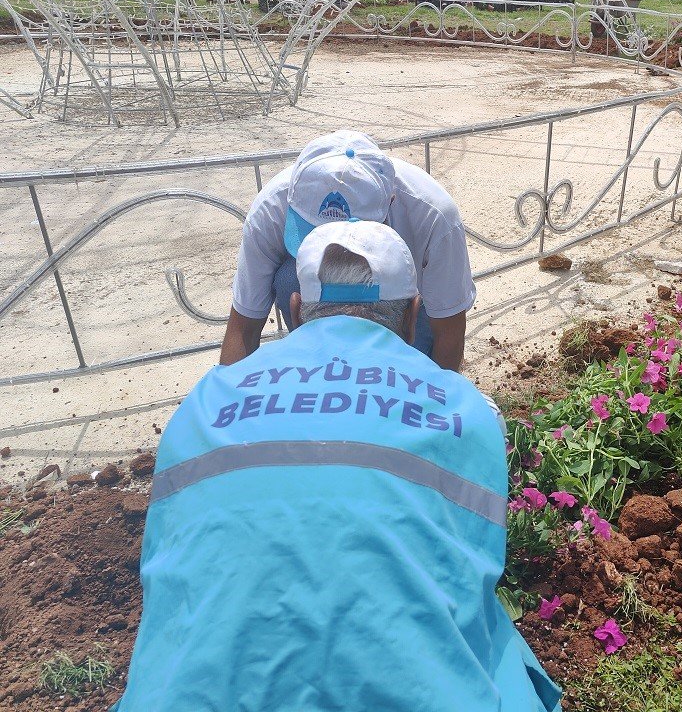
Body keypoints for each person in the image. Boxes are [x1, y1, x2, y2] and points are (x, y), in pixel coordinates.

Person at [113, 220, 563, 712]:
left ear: (295, 310)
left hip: (186, 697)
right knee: (497, 648)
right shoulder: (468, 412)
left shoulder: (204, 403)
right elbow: (468, 570)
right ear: (413, 317)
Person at [220, 130, 475, 372]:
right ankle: (317, 368)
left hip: (402, 313)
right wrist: (226, 403)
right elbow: (244, 326)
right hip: (333, 307)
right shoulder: (271, 209)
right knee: (290, 278)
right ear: (293, 199)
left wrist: (433, 403)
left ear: (391, 203)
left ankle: (396, 370)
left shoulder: (435, 216)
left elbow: (448, 332)